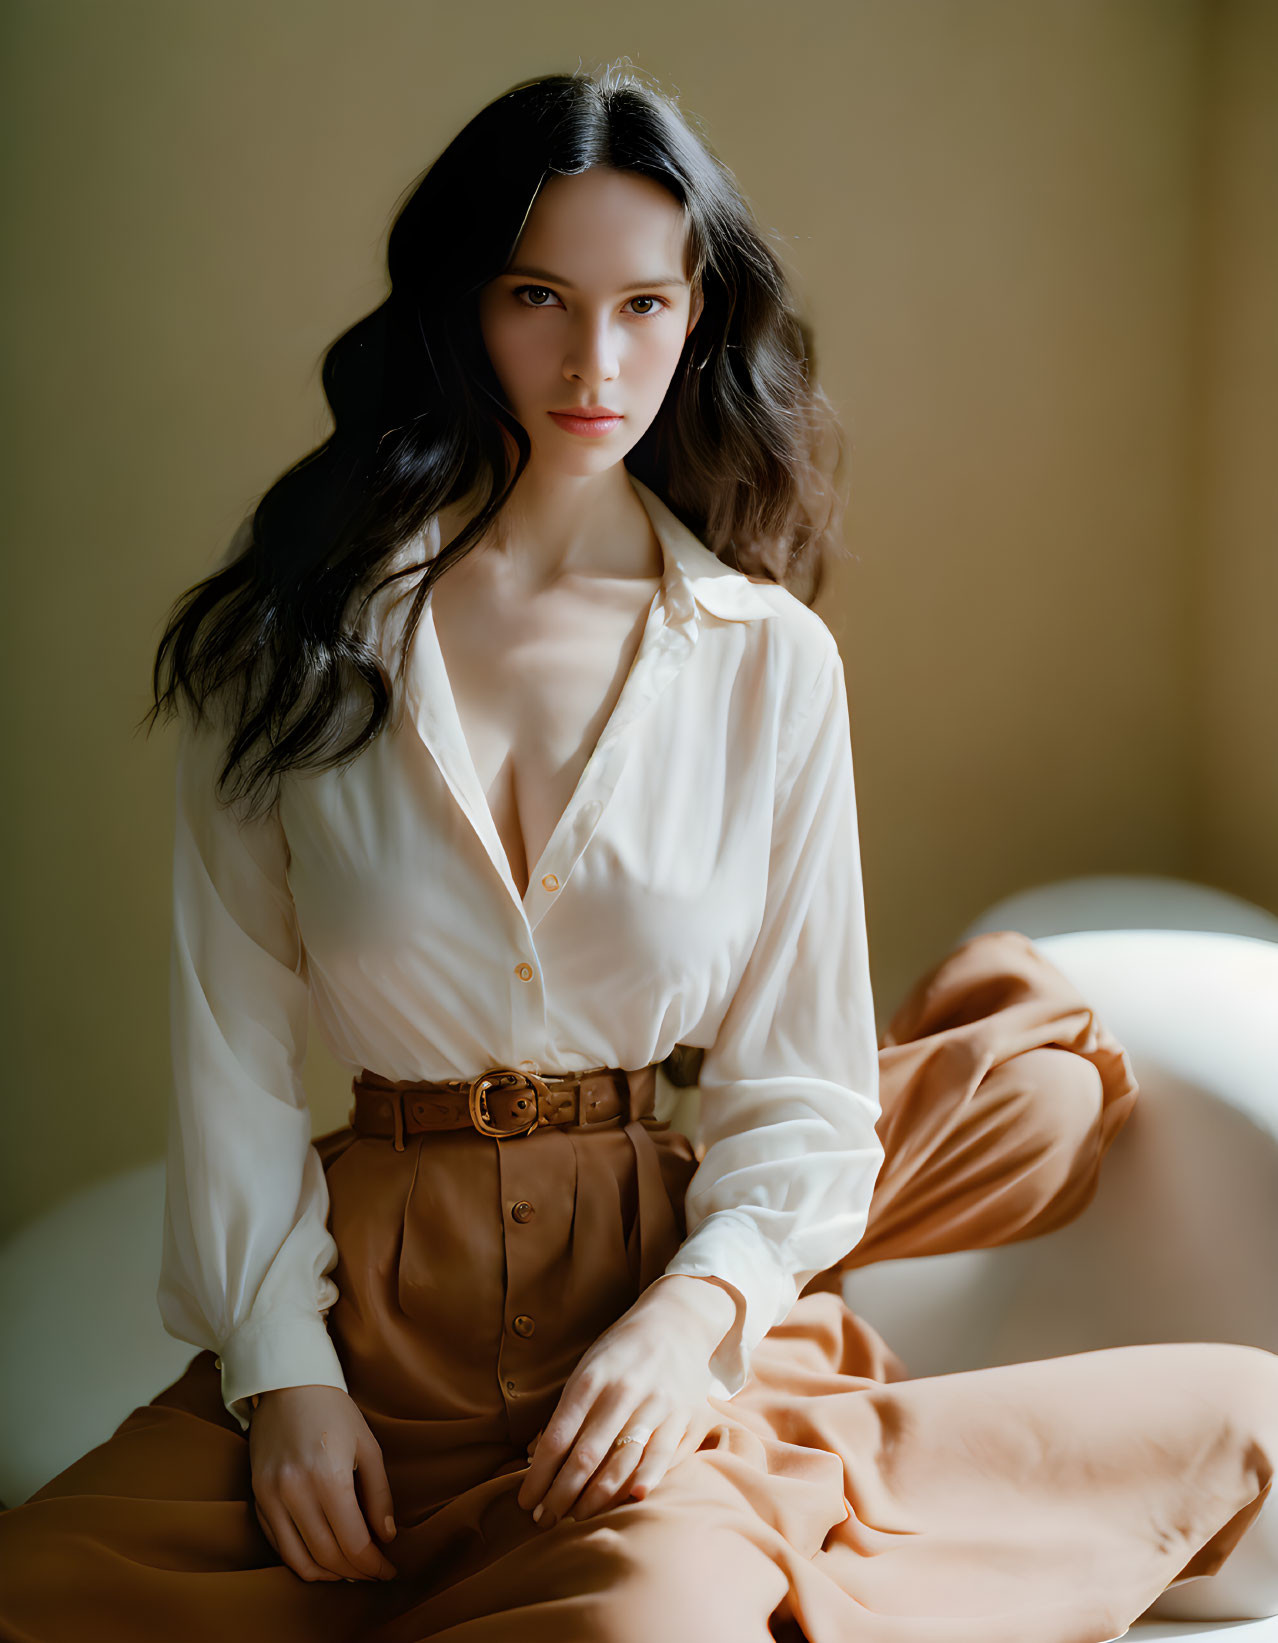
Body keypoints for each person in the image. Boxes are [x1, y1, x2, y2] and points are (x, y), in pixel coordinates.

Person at [2, 61, 1275, 1643]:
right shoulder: (289, 652)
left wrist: (691, 1327)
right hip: (367, 1316)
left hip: (636, 1306)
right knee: (43, 1591)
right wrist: (282, 1381)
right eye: (539, 296)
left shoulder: (767, 666)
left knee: (636, 1625)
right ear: (460, 305)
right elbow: (233, 1064)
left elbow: (796, 1090)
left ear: (696, 319)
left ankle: (765, 1478)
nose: (593, 360)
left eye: (644, 306)